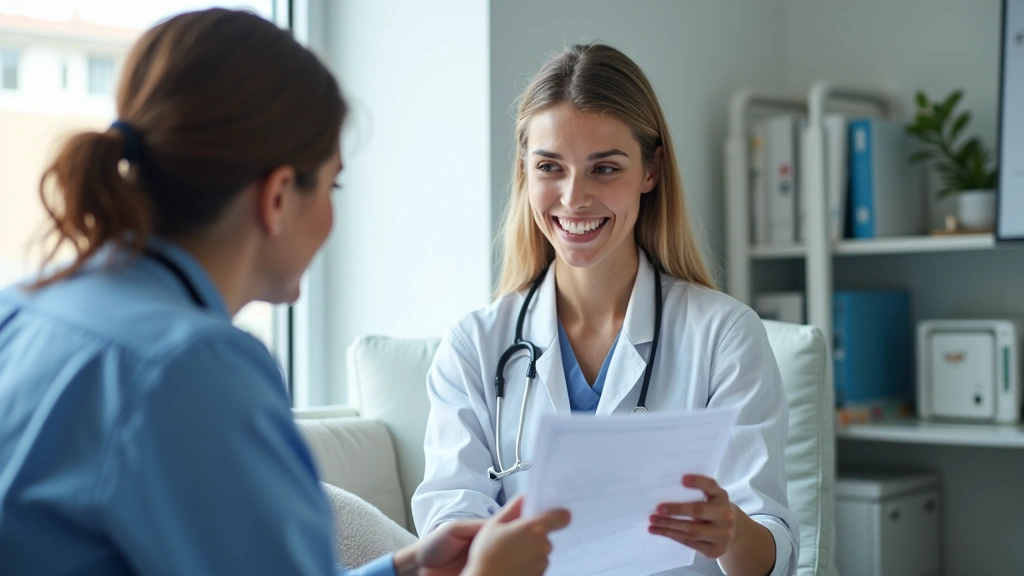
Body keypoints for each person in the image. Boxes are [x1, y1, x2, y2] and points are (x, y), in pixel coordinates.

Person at [0, 9, 569, 576]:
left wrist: (401, 570)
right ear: (276, 198)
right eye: (332, 184)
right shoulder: (195, 367)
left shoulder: (25, 306)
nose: (332, 214)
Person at [411, 43, 798, 576]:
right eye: (550, 167)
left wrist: (731, 531)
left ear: (651, 170)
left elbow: (772, 548)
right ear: (525, 171)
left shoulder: (724, 335)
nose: (574, 198)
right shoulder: (474, 346)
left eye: (604, 169)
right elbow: (449, 527)